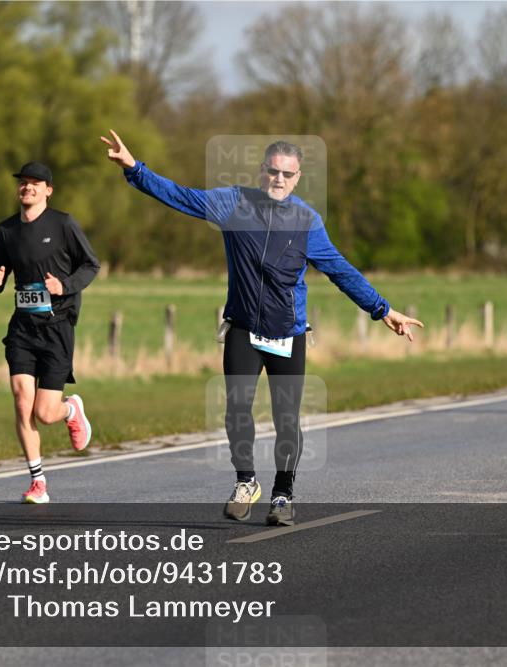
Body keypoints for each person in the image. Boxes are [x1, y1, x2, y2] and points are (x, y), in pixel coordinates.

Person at [100, 130, 422, 525]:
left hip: (288, 331)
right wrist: (135, 169)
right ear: (262, 171)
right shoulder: (233, 203)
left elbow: (340, 269)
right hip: (243, 326)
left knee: (287, 417)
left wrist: (383, 309)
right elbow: (180, 196)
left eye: (287, 174)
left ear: (298, 178)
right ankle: (245, 481)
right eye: (273, 171)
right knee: (236, 408)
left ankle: (283, 494)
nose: (279, 179)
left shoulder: (307, 221)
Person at [0, 162, 99, 503]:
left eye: (35, 183)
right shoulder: (5, 230)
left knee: (44, 413)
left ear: (48, 190)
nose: (28, 188)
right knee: (23, 402)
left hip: (57, 326)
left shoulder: (63, 224)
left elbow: (91, 264)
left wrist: (63, 285)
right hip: (22, 327)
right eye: (23, 183)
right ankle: (38, 482)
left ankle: (70, 410)